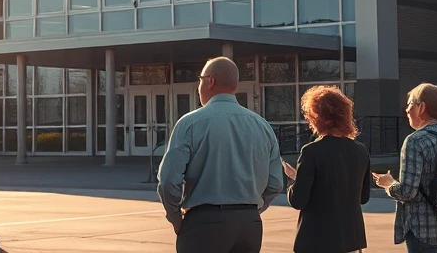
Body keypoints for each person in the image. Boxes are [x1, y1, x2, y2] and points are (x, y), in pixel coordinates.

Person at [157, 56, 283, 253]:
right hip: (249, 225)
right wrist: (251, 210)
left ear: (210, 81)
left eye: (200, 79)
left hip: (204, 223)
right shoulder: (261, 126)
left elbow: (168, 181)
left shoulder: (190, 123)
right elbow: (275, 182)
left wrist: (175, 218)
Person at [372, 83, 437, 253]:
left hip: (425, 232)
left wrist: (389, 183)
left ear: (421, 107)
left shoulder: (415, 141)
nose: (406, 110)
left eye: (410, 104)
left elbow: (407, 192)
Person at [282, 85, 370, 253]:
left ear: (318, 116)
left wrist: (292, 180)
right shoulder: (360, 150)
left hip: (317, 241)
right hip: (351, 239)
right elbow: (363, 197)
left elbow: (298, 200)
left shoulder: (311, 151)